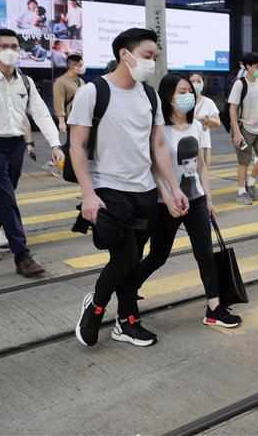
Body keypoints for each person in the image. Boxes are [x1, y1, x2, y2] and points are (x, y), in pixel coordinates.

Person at [71, 28, 188, 348]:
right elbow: (77, 147)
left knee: (133, 260)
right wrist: (88, 194)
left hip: (144, 191)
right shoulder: (92, 92)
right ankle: (95, 307)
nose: (152, 63)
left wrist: (172, 188)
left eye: (155, 57)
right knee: (125, 258)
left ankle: (127, 321)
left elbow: (159, 145)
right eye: (148, 56)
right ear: (126, 54)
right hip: (108, 188)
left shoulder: (149, 96)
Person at [133, 74, 241, 329]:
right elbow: (155, 168)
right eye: (182, 91)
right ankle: (128, 287)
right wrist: (168, 197)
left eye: (190, 91)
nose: (188, 95)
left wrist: (208, 198)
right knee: (159, 255)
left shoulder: (196, 126)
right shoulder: (159, 129)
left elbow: (201, 166)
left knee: (204, 253)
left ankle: (214, 307)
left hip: (196, 200)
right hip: (167, 203)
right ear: (168, 96)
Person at [0, 29, 63, 276]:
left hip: (15, 145)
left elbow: (40, 112)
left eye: (14, 46)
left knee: (2, 195)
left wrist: (55, 144)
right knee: (7, 198)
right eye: (4, 46)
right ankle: (22, 256)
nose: (10, 51)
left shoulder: (25, 82)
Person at [229, 53, 258, 205]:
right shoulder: (240, 84)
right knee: (244, 162)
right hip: (244, 128)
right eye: (257, 66)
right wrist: (236, 132)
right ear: (248, 67)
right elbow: (233, 109)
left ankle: (251, 182)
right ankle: (241, 192)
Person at [189, 73, 220, 167]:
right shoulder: (183, 101)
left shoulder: (208, 102)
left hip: (204, 144)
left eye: (198, 81)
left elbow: (217, 123)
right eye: (192, 81)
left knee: (204, 174)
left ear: (203, 83)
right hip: (187, 144)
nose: (195, 84)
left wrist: (206, 119)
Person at [53, 54, 86, 136]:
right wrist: (61, 122)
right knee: (72, 144)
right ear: (72, 66)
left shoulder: (81, 81)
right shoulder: (60, 81)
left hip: (83, 119)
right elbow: (59, 102)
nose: (82, 67)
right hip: (71, 120)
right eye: (80, 65)